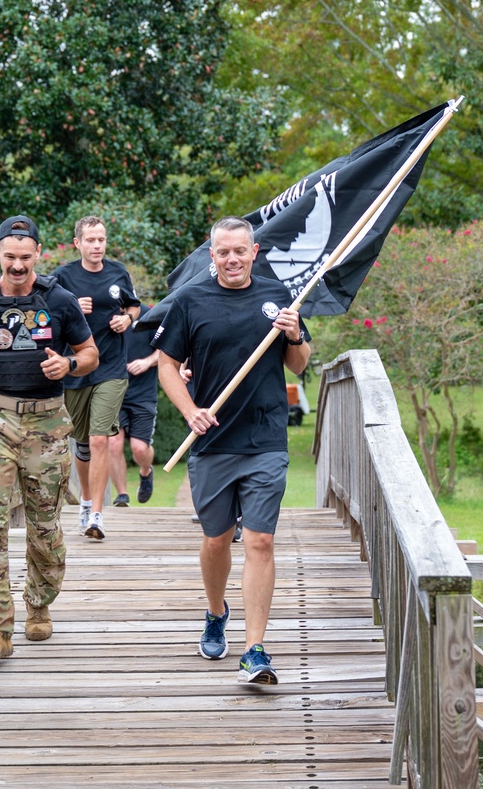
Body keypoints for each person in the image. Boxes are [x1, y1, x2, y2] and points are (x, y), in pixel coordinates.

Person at [154, 215, 311, 684]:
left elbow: (300, 365)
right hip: (213, 440)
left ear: (254, 252)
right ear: (212, 255)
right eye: (223, 252)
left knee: (260, 540)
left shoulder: (278, 298)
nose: (232, 259)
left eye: (240, 251)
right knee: (217, 539)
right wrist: (190, 410)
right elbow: (166, 365)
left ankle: (255, 649)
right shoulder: (189, 301)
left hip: (265, 438)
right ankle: (215, 610)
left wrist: (294, 334)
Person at [0, 215, 99, 661]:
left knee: (43, 528)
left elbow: (90, 353)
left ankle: (39, 602)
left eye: (26, 257)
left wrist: (69, 367)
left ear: (38, 253)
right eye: (10, 257)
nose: (18, 266)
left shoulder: (60, 300)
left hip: (47, 425)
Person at [52, 215, 141, 540]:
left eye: (101, 239)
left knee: (101, 437)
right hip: (75, 367)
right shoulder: (62, 276)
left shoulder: (118, 272)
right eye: (90, 240)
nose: (97, 245)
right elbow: (46, 317)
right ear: (78, 243)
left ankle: (98, 516)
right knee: (82, 443)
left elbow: (134, 306)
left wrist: (127, 321)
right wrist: (72, 306)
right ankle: (86, 502)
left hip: (112, 367)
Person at [109, 302, 159, 507]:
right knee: (113, 444)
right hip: (112, 391)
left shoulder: (151, 315)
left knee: (139, 449)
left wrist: (147, 362)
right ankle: (122, 495)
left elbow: (165, 350)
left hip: (143, 393)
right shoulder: (105, 315)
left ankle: (146, 472)